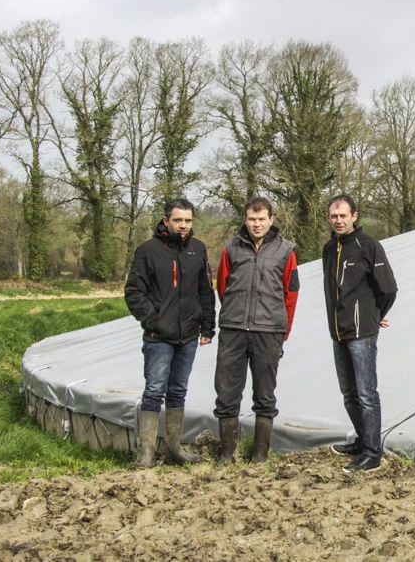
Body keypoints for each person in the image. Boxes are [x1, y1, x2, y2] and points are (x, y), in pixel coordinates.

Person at [124, 198, 216, 468]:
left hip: (188, 334)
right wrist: (152, 320)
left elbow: (205, 291)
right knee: (154, 391)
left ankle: (174, 448)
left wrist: (207, 326)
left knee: (178, 391)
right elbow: (133, 292)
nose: (183, 225)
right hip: (158, 336)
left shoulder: (197, 250)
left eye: (188, 221)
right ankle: (146, 453)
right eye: (178, 220)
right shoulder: (148, 251)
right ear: (166, 221)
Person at [214, 197, 299, 464]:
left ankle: (260, 454)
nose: (257, 224)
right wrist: (234, 314)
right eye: (252, 219)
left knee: (265, 394)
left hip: (268, 331)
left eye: (262, 219)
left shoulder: (286, 251)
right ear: (245, 220)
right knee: (227, 391)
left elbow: (291, 293)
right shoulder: (231, 248)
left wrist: (281, 331)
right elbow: (222, 286)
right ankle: (228, 453)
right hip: (234, 329)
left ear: (271, 220)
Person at [322, 194, 398, 473]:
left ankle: (372, 453)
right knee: (348, 392)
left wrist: (374, 316)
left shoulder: (368, 245)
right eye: (334, 215)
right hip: (338, 331)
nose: (338, 220)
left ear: (355, 216)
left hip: (362, 332)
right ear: (329, 218)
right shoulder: (330, 248)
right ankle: (362, 439)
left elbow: (388, 287)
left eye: (343, 215)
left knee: (366, 393)